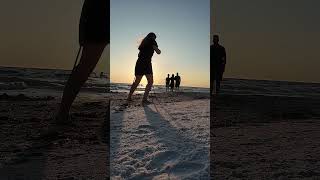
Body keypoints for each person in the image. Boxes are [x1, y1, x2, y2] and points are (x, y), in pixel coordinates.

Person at [55, 0, 109, 124]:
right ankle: (62, 114)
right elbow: (87, 5)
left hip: (103, 20)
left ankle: (63, 113)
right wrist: (82, 31)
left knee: (84, 68)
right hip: (98, 21)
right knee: (84, 68)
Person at [127, 32, 161, 104]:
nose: (155, 39)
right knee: (150, 81)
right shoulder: (152, 41)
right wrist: (159, 50)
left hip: (139, 63)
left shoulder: (143, 43)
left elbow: (139, 54)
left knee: (136, 81)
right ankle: (144, 99)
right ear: (153, 37)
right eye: (155, 37)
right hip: (147, 63)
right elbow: (158, 51)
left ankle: (129, 97)